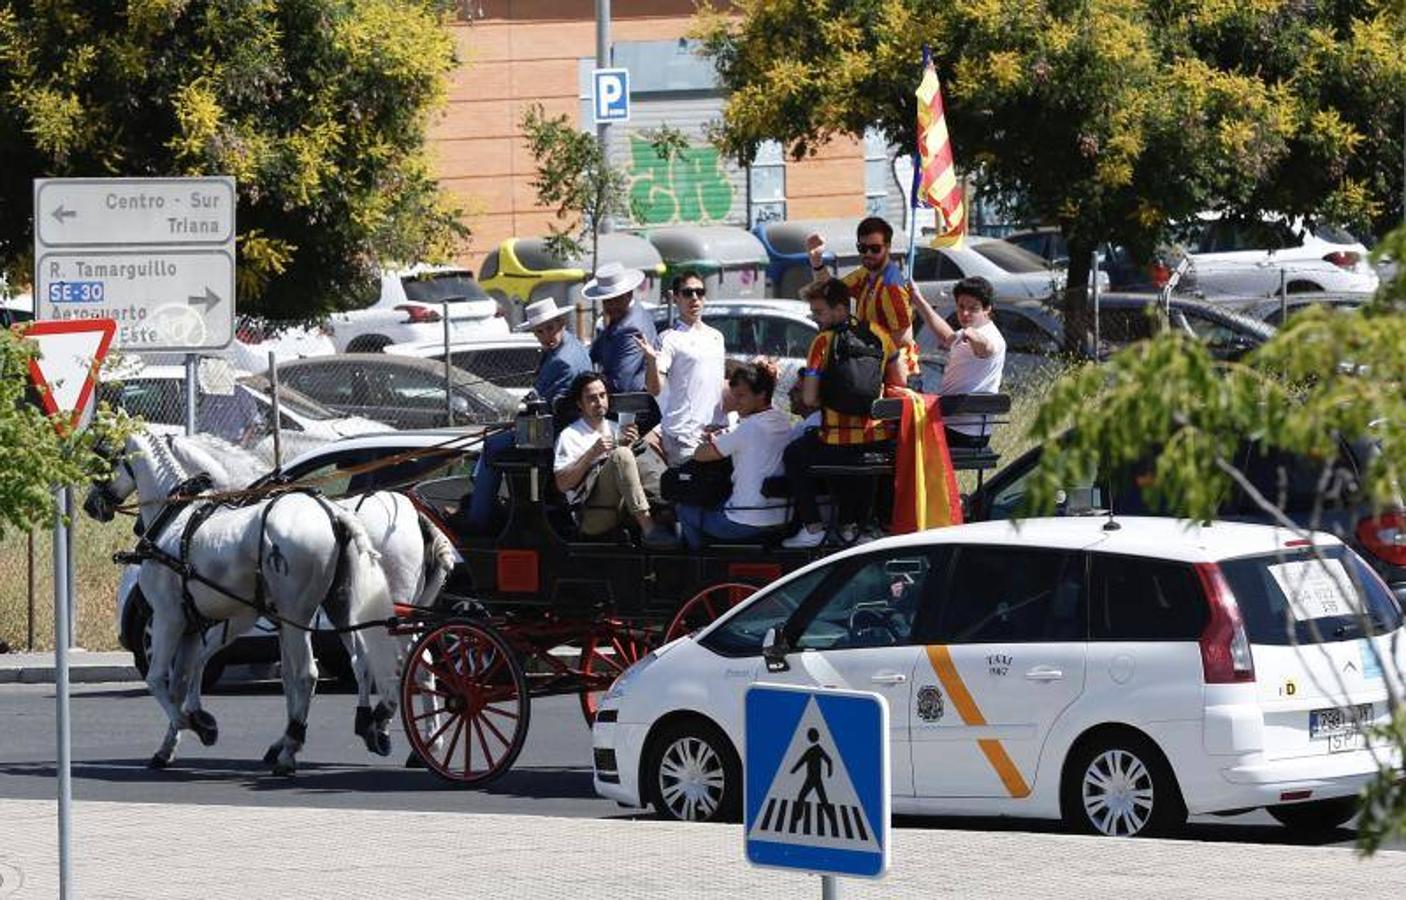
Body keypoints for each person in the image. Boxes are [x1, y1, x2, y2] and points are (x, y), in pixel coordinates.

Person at [782, 280, 907, 548]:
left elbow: (809, 398)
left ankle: (814, 527)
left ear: (839, 310)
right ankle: (859, 525)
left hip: (837, 445)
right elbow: (901, 383)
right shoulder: (880, 334)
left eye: (818, 312)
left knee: (794, 454)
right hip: (877, 441)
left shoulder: (823, 342)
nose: (815, 318)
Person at [464, 298, 593, 533]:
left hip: (552, 433)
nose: (546, 336)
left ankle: (477, 519)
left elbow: (536, 401)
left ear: (560, 322)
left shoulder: (561, 361)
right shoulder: (571, 344)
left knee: (491, 445)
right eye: (540, 331)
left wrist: (516, 416)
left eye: (550, 328)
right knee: (494, 439)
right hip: (557, 424)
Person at [674, 359, 792, 548]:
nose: (736, 403)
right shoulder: (782, 421)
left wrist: (710, 439)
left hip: (746, 521)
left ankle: (698, 563)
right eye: (734, 395)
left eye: (741, 396)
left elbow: (700, 455)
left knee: (685, 510)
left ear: (761, 394)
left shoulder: (748, 428)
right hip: (781, 516)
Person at [554, 371, 676, 547]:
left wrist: (632, 444)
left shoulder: (616, 428)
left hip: (623, 506)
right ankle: (649, 529)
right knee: (621, 455)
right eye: (592, 398)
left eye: (602, 396)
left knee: (640, 449)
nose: (599, 402)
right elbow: (562, 484)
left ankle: (667, 509)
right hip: (591, 513)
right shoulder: (570, 435)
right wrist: (592, 454)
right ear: (580, 404)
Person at [805, 217, 920, 385]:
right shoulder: (865, 274)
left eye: (875, 249)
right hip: (874, 366)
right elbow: (831, 291)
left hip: (899, 374)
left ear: (887, 248)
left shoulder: (891, 284)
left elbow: (904, 337)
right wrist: (816, 262)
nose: (868, 254)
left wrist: (867, 358)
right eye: (863, 248)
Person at [637, 271, 726, 465]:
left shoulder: (717, 337)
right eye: (687, 293)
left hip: (716, 433)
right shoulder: (669, 338)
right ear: (675, 297)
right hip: (683, 436)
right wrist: (651, 361)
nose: (694, 298)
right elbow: (654, 388)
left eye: (699, 292)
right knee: (688, 493)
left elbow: (719, 384)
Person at [909, 275, 1006, 447]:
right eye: (961, 307)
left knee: (899, 442)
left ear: (987, 309)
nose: (965, 313)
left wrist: (971, 334)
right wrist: (918, 299)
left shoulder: (989, 335)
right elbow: (947, 338)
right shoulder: (971, 330)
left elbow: (987, 349)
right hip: (951, 423)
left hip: (964, 432)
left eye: (973, 309)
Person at [586, 261, 659, 396]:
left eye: (617, 300)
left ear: (629, 294)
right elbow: (593, 352)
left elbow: (620, 382)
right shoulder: (622, 318)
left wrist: (586, 385)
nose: (612, 306)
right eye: (607, 301)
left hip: (632, 410)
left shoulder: (631, 328)